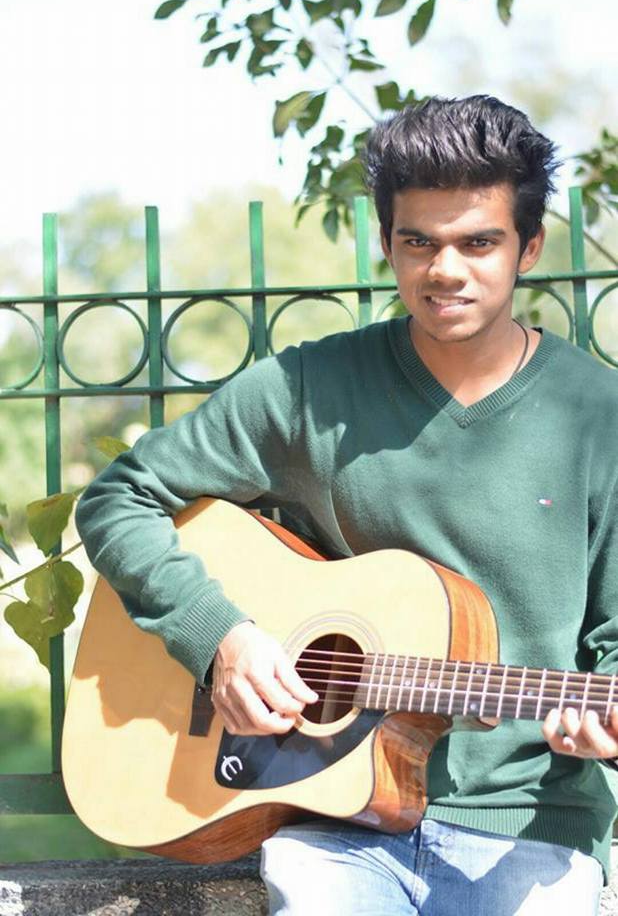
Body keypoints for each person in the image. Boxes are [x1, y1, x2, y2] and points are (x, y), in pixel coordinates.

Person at [75, 95, 618, 915]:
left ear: (529, 246)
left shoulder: (599, 417)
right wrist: (220, 638)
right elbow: (119, 498)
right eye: (418, 242)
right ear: (388, 244)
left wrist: (605, 726)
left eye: (478, 242)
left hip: (529, 829)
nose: (445, 270)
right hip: (327, 814)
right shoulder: (308, 390)